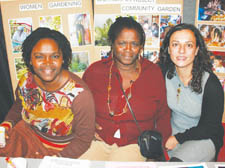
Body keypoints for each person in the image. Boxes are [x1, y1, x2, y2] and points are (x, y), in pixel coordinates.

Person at [80, 16, 171, 161]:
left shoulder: (153, 73)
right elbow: (79, 106)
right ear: (112, 44)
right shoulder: (95, 71)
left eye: (134, 44)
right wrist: (85, 127)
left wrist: (159, 146)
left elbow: (163, 113)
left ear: (141, 46)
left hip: (134, 145)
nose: (128, 50)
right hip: (98, 141)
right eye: (122, 43)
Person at [0, 27, 95, 158]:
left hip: (59, 150)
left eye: (54, 56)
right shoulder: (27, 80)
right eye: (39, 57)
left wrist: (56, 161)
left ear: (63, 58)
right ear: (29, 60)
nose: (47, 63)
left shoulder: (80, 95)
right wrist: (6, 125)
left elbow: (83, 141)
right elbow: (19, 105)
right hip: (25, 136)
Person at [159, 23, 224, 161]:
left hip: (203, 138)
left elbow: (210, 127)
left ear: (196, 50)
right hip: (172, 135)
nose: (181, 51)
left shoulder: (211, 84)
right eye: (176, 44)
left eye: (188, 45)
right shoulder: (164, 73)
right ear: (169, 49)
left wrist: (178, 138)